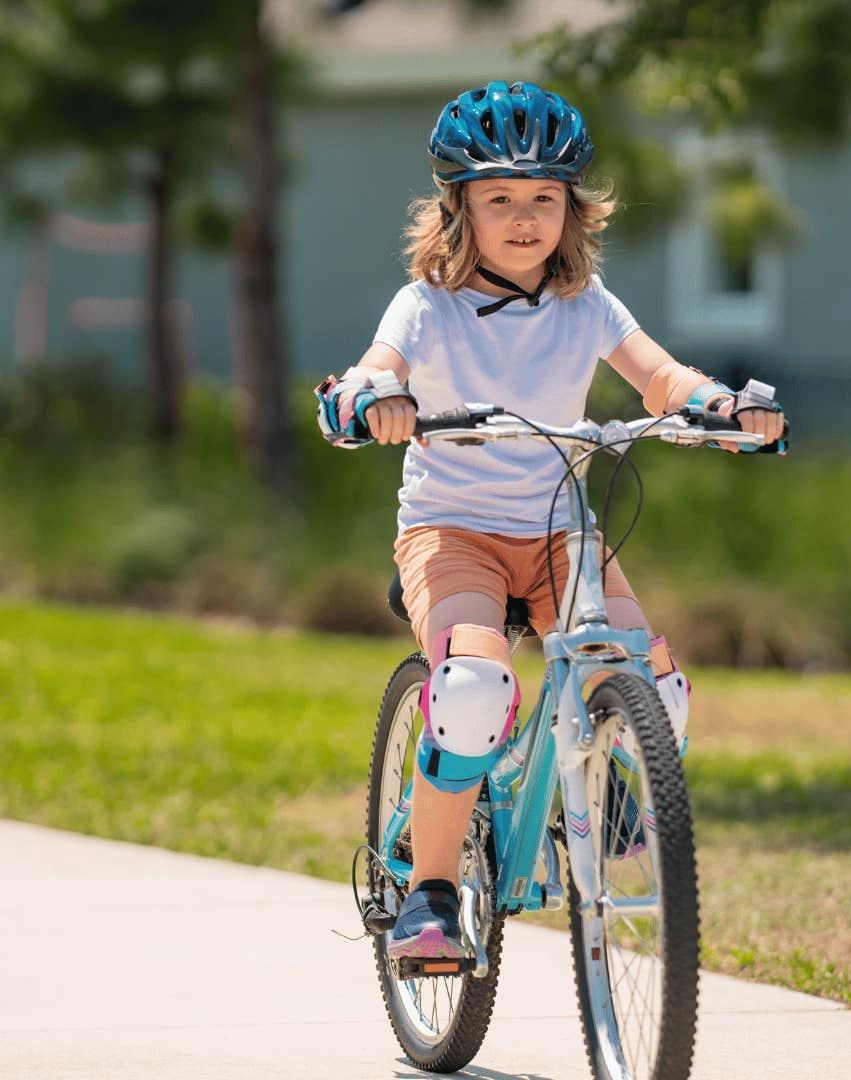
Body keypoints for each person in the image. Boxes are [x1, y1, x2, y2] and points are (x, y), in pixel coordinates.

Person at [315, 80, 787, 965]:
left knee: (654, 688)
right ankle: (431, 894)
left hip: (562, 531)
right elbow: (379, 365)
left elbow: (659, 377)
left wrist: (721, 406)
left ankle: (604, 783)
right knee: (470, 690)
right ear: (459, 209)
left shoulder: (587, 303)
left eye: (544, 197)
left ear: (574, 208)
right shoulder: (427, 305)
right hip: (453, 531)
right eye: (499, 199)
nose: (525, 217)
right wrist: (368, 397)